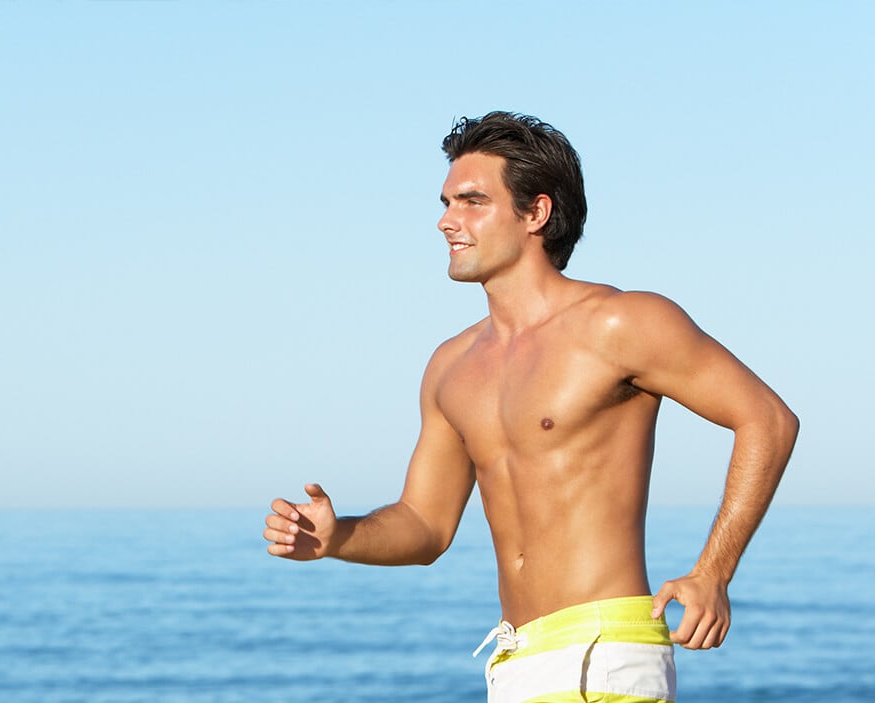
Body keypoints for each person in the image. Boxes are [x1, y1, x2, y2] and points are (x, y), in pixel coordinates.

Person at [263, 111, 799, 703]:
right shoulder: (452, 366)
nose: (447, 221)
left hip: (605, 653)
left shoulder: (621, 323)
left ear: (536, 213)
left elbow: (767, 419)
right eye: (446, 202)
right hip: (514, 659)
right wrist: (340, 537)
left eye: (472, 201)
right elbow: (425, 525)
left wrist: (713, 573)